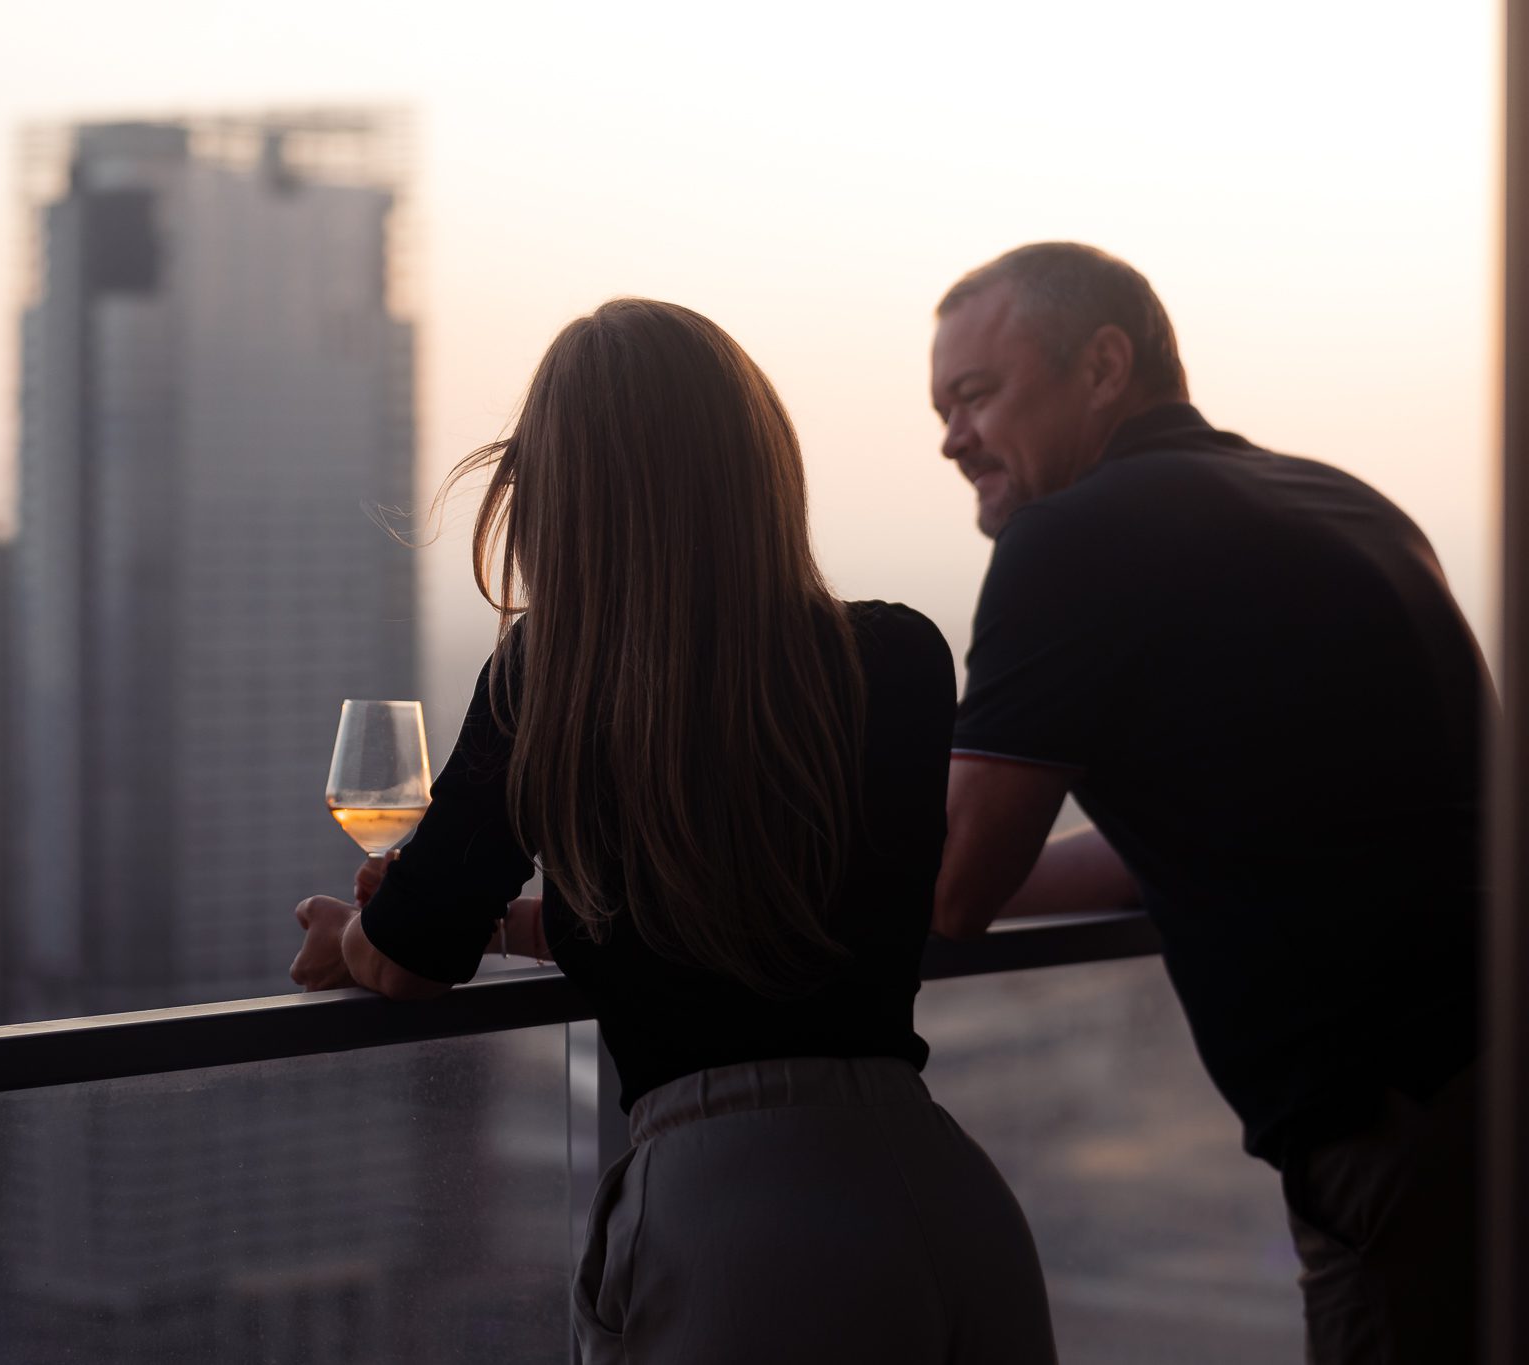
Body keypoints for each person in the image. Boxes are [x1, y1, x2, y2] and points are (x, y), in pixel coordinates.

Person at [292, 298, 1058, 1364]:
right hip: (926, 1195)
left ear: (556, 498)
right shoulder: (893, 657)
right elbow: (738, 910)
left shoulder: (542, 684)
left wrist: (350, 940)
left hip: (724, 1226)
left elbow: (411, 961)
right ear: (758, 465)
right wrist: (526, 929)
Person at [928, 242, 1487, 1364]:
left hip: (1388, 1126)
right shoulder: (1343, 506)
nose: (950, 441)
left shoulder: (1070, 539)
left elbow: (950, 886)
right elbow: (1191, 840)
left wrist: (757, 901)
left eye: (974, 397)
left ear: (1101, 366)